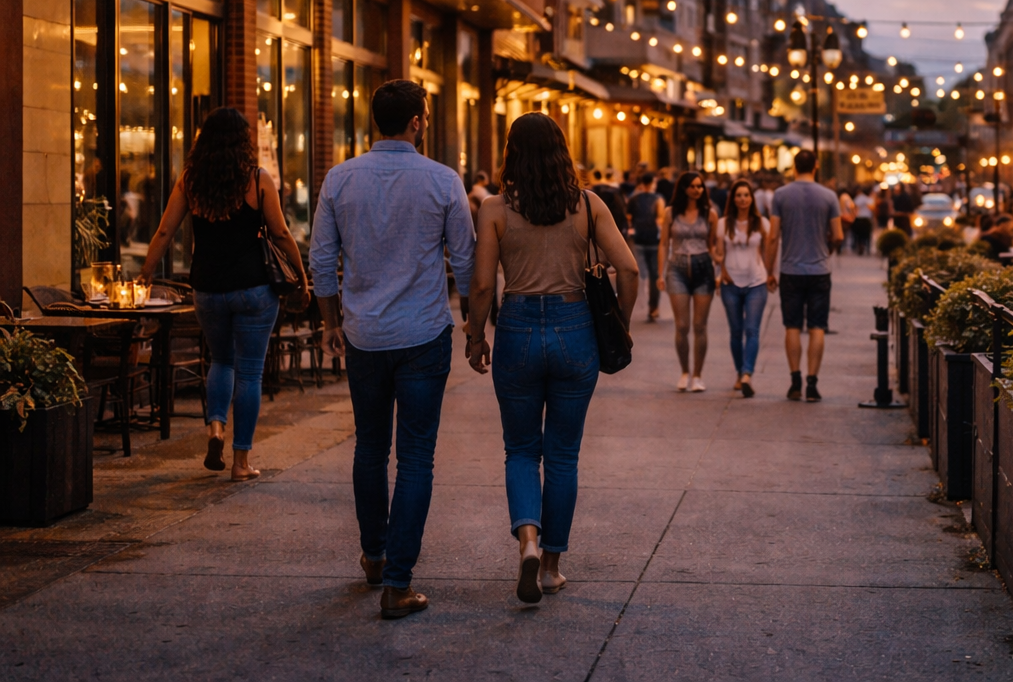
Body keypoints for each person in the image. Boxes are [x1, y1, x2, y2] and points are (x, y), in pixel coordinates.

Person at [311, 80, 477, 619]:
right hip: (424, 334)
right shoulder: (443, 180)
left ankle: (375, 556)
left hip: (364, 334)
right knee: (416, 456)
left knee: (369, 447)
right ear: (418, 121)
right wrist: (475, 324)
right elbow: (466, 260)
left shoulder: (340, 178)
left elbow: (321, 259)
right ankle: (398, 583)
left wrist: (330, 322)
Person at [464, 112, 638, 603]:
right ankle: (551, 567)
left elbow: (482, 284)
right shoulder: (588, 205)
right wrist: (620, 326)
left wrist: (476, 337)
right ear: (562, 151)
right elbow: (628, 269)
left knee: (521, 450)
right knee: (563, 454)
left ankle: (527, 542)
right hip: (574, 325)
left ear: (511, 153)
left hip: (517, 326)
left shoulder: (494, 208)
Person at [136, 107, 309, 482]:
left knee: (220, 361)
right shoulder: (257, 180)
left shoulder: (190, 180)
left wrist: (145, 274)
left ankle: (215, 427)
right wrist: (301, 276)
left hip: (208, 290)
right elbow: (281, 234)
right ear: (243, 142)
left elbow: (164, 232)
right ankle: (241, 462)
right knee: (249, 372)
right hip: (254, 290)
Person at [770, 150, 844, 401]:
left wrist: (769, 270)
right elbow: (838, 235)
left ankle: (795, 382)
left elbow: (773, 236)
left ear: (794, 167)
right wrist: (826, 250)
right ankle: (812, 384)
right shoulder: (829, 196)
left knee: (792, 326)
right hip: (819, 270)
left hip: (790, 270)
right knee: (817, 327)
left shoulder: (780, 195)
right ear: (816, 166)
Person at [659, 171, 718, 392]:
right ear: (684, 188)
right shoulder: (670, 212)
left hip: (704, 267)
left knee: (700, 325)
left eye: (700, 186)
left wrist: (719, 267)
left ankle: (698, 375)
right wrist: (660, 273)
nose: (697, 190)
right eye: (693, 186)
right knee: (682, 325)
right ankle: (685, 371)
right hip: (677, 267)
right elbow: (664, 243)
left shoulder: (710, 214)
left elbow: (712, 245)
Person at [717, 179, 776, 397]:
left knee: (752, 329)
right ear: (733, 199)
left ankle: (747, 374)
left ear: (752, 199)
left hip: (756, 282)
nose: (743, 199)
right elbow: (718, 252)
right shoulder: (723, 223)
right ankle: (739, 371)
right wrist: (721, 271)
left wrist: (771, 273)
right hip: (730, 283)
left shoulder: (762, 223)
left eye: (746, 195)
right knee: (735, 331)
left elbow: (769, 250)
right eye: (739, 195)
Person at [626, 172, 664, 322]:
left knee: (641, 274)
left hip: (639, 240)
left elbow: (628, 217)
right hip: (654, 240)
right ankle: (653, 307)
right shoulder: (658, 199)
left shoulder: (634, 199)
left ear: (642, 184)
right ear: (653, 183)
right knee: (655, 274)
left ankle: (639, 301)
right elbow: (660, 220)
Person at [852, 186, 875, 255]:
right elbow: (872, 209)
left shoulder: (859, 198)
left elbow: (854, 206)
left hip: (859, 218)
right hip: (866, 219)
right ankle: (866, 248)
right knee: (866, 235)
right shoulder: (869, 199)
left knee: (859, 234)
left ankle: (859, 246)